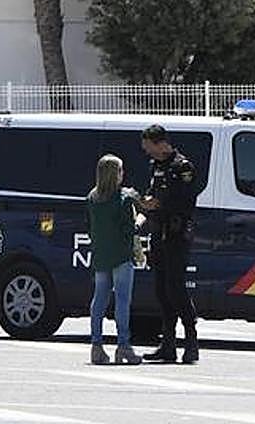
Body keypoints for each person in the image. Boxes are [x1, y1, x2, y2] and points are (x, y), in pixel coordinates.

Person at [137, 125, 198, 364]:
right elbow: (152, 193)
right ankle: (168, 344)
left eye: (149, 147)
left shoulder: (182, 167)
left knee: (176, 289)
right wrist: (144, 205)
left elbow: (184, 200)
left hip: (176, 234)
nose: (147, 152)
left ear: (160, 143)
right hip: (158, 234)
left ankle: (191, 341)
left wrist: (158, 204)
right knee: (161, 290)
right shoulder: (157, 166)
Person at [86, 154, 142, 366]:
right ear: (114, 174)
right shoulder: (123, 199)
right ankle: (123, 346)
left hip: (101, 255)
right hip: (121, 255)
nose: (123, 174)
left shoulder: (92, 198)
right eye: (120, 170)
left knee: (99, 300)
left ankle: (96, 346)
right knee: (122, 301)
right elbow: (129, 230)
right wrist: (139, 220)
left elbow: (90, 226)